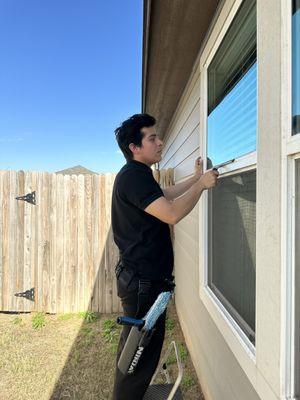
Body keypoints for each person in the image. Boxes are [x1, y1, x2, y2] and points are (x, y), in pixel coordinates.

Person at [111, 113, 219, 399]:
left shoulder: (139, 176)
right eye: (152, 138)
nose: (160, 142)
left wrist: (196, 178)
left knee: (137, 354)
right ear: (135, 147)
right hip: (143, 285)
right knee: (137, 359)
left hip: (144, 282)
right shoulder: (133, 177)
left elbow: (165, 194)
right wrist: (202, 185)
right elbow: (171, 213)